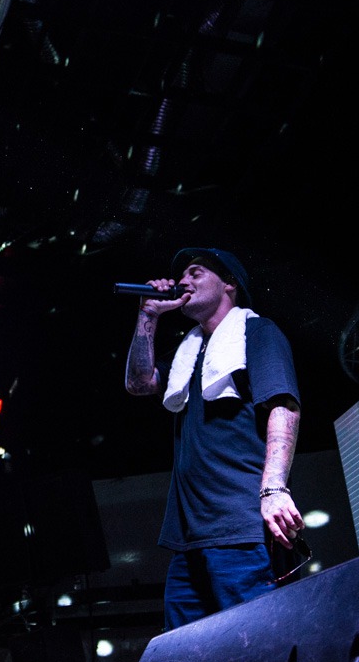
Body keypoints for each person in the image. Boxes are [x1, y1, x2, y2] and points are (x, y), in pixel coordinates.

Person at [124, 247, 304, 631]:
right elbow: (139, 383)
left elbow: (283, 404)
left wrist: (275, 488)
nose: (183, 281)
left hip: (240, 527)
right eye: (182, 276)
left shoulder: (256, 332)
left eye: (196, 272)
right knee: (186, 654)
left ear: (229, 284)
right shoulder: (189, 354)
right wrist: (148, 314)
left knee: (256, 645)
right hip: (188, 539)